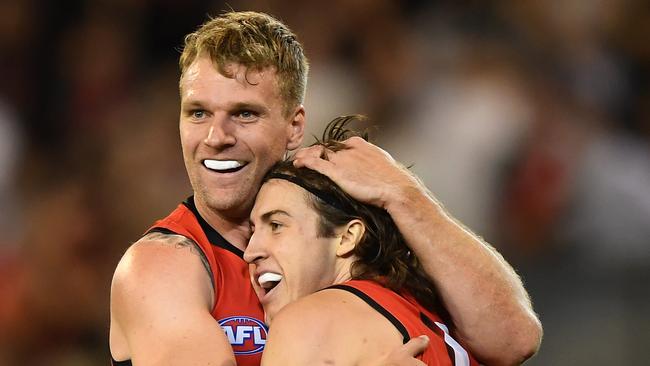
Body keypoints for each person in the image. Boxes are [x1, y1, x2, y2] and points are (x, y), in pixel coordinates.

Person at [109, 11, 541, 366]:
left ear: (295, 126)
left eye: (244, 114)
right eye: (198, 113)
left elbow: (514, 338)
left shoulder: (353, 223)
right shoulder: (163, 266)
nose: (216, 136)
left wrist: (405, 194)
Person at [245, 115, 482, 365]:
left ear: (348, 237)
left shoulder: (310, 322)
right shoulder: (440, 322)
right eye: (252, 232)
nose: (250, 252)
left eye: (276, 225)